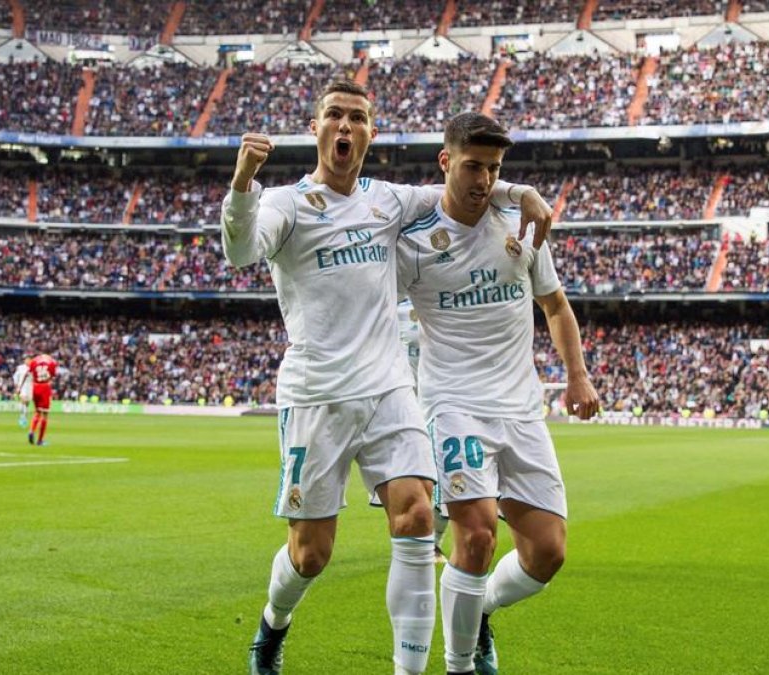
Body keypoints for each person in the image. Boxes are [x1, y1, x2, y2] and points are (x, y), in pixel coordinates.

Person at [221, 79, 553, 675]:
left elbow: (461, 184)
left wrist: (520, 190)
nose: (346, 127)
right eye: (334, 116)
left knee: (420, 517)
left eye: (358, 118)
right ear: (317, 127)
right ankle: (273, 625)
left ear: (371, 133)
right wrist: (243, 182)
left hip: (391, 390)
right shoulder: (285, 204)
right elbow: (243, 250)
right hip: (318, 394)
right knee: (311, 554)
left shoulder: (389, 201)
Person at [395, 112, 601, 675]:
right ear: (446, 162)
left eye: (494, 169)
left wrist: (578, 376)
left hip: (520, 407)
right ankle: (460, 665)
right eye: (472, 166)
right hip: (452, 403)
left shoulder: (521, 224)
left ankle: (477, 608)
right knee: (479, 533)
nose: (483, 179)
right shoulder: (412, 241)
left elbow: (555, 306)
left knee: (547, 552)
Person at [397, 298, 450, 565]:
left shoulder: (440, 294)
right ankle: (415, 539)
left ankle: (434, 542)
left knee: (445, 477)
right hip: (400, 407)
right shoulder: (390, 306)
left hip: (438, 402)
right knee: (412, 481)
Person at [26, 353, 57, 446]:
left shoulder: (34, 360)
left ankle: (32, 430)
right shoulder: (51, 362)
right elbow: (52, 376)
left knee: (37, 412)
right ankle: (40, 440)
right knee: (45, 414)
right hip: (45, 387)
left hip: (35, 386)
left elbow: (30, 373)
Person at [14, 357, 33, 427]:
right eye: (27, 359)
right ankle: (22, 416)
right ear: (24, 360)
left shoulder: (33, 368)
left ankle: (24, 416)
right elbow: (15, 376)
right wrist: (17, 386)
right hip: (22, 386)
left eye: (30, 360)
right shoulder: (20, 367)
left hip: (30, 386)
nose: (28, 361)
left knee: (27, 403)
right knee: (23, 400)